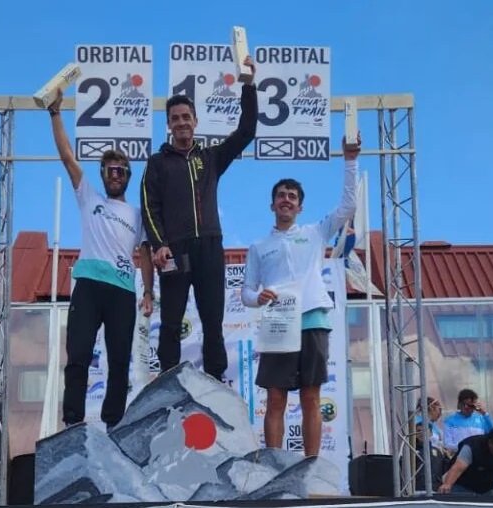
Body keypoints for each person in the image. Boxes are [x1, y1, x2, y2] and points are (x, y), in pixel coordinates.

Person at [140, 56, 258, 381]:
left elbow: (247, 130)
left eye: (186, 117)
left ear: (196, 120)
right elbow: (150, 206)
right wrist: (159, 244)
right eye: (175, 118)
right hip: (174, 251)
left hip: (209, 246)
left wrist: (248, 84)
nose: (181, 122)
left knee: (212, 321)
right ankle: (167, 382)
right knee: (171, 323)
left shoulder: (211, 157)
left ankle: (215, 382)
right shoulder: (157, 163)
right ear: (168, 124)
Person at [241, 136, 360, 457]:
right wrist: (259, 298)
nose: (286, 200)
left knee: (311, 396)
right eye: (281, 195)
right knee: (276, 398)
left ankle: (311, 464)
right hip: (278, 324)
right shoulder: (258, 246)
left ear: (300, 206)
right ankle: (275, 465)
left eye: (292, 196)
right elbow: (246, 293)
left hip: (312, 320)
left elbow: (348, 206)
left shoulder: (314, 232)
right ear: (272, 205)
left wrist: (350, 160)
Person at [47, 90, 154, 429]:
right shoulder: (88, 197)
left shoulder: (137, 215)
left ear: (128, 176)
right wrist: (55, 114)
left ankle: (114, 424)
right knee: (77, 355)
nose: (115, 174)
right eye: (109, 170)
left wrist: (149, 291)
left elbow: (147, 254)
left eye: (121, 170)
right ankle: (73, 423)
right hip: (90, 286)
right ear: (103, 173)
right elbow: (67, 157)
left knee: (120, 362)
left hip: (122, 291)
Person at [438, 425, 493, 496]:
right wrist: (447, 485)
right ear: (490, 442)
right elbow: (458, 468)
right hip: (462, 486)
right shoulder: (472, 446)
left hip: (487, 489)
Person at [442, 388, 493, 453]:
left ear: (475, 406)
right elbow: (447, 444)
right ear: (459, 404)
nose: (466, 407)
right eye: (464, 404)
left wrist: (484, 413)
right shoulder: (449, 421)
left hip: (478, 458)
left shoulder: (481, 419)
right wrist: (467, 448)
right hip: (458, 457)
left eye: (470, 405)